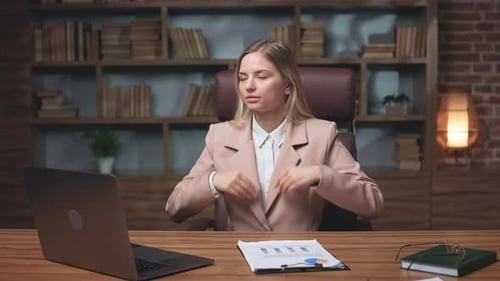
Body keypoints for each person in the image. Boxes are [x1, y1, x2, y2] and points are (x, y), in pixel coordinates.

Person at [166, 39, 383, 231]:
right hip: (238, 259)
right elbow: (175, 208)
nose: (249, 86)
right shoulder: (220, 136)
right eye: (242, 78)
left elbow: (373, 204)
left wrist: (321, 175)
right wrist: (213, 181)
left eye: (261, 76)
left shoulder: (321, 134)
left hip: (301, 261)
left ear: (287, 85)